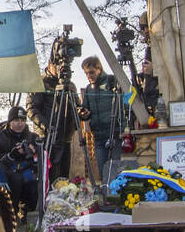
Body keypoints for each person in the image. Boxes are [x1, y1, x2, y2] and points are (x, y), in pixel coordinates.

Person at [29, 60, 78, 180]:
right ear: (50, 64)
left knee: (63, 176)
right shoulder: (39, 83)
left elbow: (76, 106)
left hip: (65, 135)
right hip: (47, 137)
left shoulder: (70, 85)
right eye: (57, 66)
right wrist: (47, 127)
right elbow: (32, 110)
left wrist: (80, 114)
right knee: (48, 176)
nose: (61, 68)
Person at [78, 56, 122, 184]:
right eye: (86, 73)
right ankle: (107, 197)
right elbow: (85, 110)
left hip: (114, 132)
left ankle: (116, 197)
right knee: (103, 170)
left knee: (115, 169)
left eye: (91, 72)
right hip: (98, 135)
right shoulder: (88, 89)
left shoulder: (112, 82)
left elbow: (123, 106)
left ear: (99, 69)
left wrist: (124, 128)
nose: (89, 76)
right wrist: (84, 114)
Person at [0, 105, 41, 217]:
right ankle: (12, 214)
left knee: (35, 185)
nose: (20, 124)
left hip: (28, 174)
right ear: (10, 121)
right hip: (10, 176)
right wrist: (13, 155)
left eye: (22, 120)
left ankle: (30, 213)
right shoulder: (2, 137)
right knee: (16, 180)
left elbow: (40, 158)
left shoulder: (33, 137)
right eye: (16, 120)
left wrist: (34, 153)